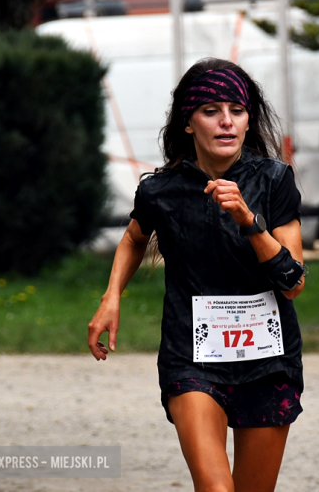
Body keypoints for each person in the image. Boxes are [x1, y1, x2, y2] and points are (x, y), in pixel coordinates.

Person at [88, 58, 307, 492]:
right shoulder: (159, 190)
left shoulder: (274, 181)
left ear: (248, 120)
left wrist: (250, 221)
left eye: (237, 111)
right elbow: (133, 238)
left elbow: (293, 282)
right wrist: (111, 296)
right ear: (188, 122)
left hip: (268, 362)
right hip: (193, 359)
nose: (226, 122)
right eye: (211, 111)